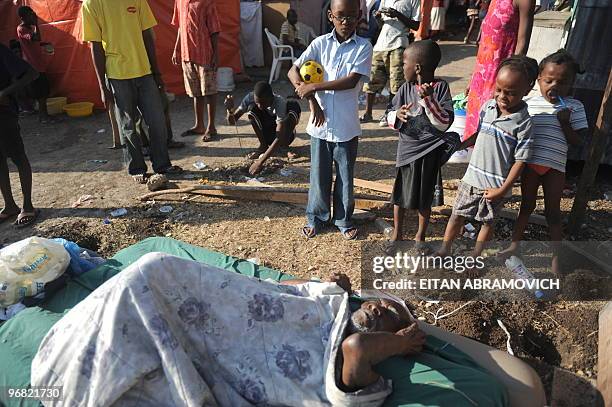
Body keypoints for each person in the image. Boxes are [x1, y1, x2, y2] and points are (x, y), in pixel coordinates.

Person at [31, 252, 546, 406]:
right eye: (380, 301)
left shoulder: (352, 374)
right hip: (198, 301)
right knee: (150, 270)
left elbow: (357, 348)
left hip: (222, 345)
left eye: (389, 310)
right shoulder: (335, 307)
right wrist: (323, 286)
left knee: (148, 283)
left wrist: (403, 340)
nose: (377, 305)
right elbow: (263, 293)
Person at [436, 56, 538, 263]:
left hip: (495, 186)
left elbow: (521, 161)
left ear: (527, 90)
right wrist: (461, 144)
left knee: (487, 223)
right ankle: (444, 249)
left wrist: (502, 190)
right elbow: (480, 133)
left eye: (511, 93)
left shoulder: (524, 124)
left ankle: (475, 256)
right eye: (499, 89)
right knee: (457, 215)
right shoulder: (488, 107)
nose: (502, 96)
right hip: (471, 178)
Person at [288, 0, 373, 240]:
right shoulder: (319, 44)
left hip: (346, 125)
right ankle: (316, 217)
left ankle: (344, 220)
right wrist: (310, 97)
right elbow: (293, 71)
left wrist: (314, 86)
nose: (347, 21)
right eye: (341, 16)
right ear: (330, 16)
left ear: (360, 17)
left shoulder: (363, 47)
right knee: (318, 175)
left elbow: (351, 81)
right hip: (320, 125)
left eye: (353, 16)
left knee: (345, 177)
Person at [499, 50, 588, 274]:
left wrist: (566, 124)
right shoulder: (528, 102)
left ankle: (556, 257)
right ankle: (513, 245)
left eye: (562, 82)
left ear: (571, 85)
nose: (554, 86)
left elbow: (579, 143)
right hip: (529, 164)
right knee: (526, 206)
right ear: (538, 79)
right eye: (548, 80)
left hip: (555, 167)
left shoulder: (574, 107)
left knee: (553, 213)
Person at [82, 0, 182, 184]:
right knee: (128, 126)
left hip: (145, 72)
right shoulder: (91, 4)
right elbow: (95, 46)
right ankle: (137, 168)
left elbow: (147, 35)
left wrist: (156, 72)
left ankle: (162, 165)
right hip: (117, 75)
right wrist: (102, 87)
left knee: (157, 121)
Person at [385, 40, 454, 255]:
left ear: (416, 68)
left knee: (425, 199)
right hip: (407, 151)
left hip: (429, 152)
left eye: (404, 62)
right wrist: (396, 115)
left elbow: (444, 122)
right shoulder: (404, 89)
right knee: (400, 197)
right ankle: (397, 235)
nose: (401, 67)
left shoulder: (440, 88)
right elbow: (387, 114)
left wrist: (429, 101)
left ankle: (420, 238)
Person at [453, 0, 534, 162]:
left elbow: (522, 42)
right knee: (479, 123)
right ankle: (478, 168)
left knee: (495, 125)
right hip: (482, 74)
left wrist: (513, 77)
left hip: (502, 76)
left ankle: (497, 172)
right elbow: (486, 42)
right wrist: (474, 77)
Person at [360, 0, 420, 127]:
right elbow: (381, 24)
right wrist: (377, 18)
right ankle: (367, 114)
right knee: (371, 81)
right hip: (380, 45)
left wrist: (397, 14)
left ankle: (390, 114)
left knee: (396, 83)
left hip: (398, 44)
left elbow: (415, 25)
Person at [0, 43, 40, 227]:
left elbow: (32, 73)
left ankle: (27, 205)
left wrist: (4, 93)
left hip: (4, 114)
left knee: (18, 157)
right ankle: (9, 205)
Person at [224, 81, 301, 175]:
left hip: (285, 135)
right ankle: (263, 146)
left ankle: (284, 147)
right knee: (252, 112)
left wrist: (260, 162)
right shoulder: (250, 98)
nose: (260, 106)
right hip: (267, 133)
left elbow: (279, 136)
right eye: (258, 102)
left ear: (271, 98)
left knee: (293, 107)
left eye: (263, 102)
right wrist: (229, 110)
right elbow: (233, 121)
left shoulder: (279, 102)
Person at [172, 0, 220, 142]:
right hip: (187, 54)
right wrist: (176, 49)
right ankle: (199, 125)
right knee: (195, 92)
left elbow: (215, 30)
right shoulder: (179, 1)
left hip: (205, 53)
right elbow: (181, 26)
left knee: (209, 91)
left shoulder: (207, 2)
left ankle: (211, 127)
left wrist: (216, 54)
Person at [16, 6, 54, 123]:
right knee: (40, 93)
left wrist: (43, 44)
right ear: (23, 18)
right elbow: (35, 38)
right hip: (33, 66)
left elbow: (37, 40)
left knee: (44, 91)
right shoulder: (21, 29)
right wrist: (37, 24)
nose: (32, 17)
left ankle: (44, 115)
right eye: (30, 16)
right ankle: (43, 117)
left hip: (38, 64)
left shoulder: (29, 28)